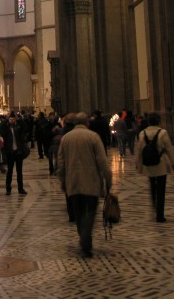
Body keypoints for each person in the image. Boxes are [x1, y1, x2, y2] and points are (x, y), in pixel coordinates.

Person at [57, 111, 111, 258]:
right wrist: (108, 180)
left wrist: (62, 180)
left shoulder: (66, 138)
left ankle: (84, 237)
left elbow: (60, 163)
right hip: (91, 182)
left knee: (79, 212)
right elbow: (103, 161)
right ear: (87, 123)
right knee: (90, 211)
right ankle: (86, 239)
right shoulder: (93, 137)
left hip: (72, 182)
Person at [135, 111, 174, 223]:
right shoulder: (163, 133)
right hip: (161, 163)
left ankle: (154, 206)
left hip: (148, 163)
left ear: (148, 122)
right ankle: (160, 214)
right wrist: (173, 162)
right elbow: (169, 148)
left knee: (153, 186)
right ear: (158, 121)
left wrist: (137, 163)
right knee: (161, 189)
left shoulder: (142, 133)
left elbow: (139, 150)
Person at [0, 112, 28, 195]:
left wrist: (18, 118)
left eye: (13, 119)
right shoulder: (5, 128)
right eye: (10, 119)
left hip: (18, 151)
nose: (12, 120)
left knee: (19, 171)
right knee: (10, 171)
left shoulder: (18, 126)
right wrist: (6, 119)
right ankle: (8, 188)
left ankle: (20, 188)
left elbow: (25, 127)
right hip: (10, 152)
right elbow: (0, 127)